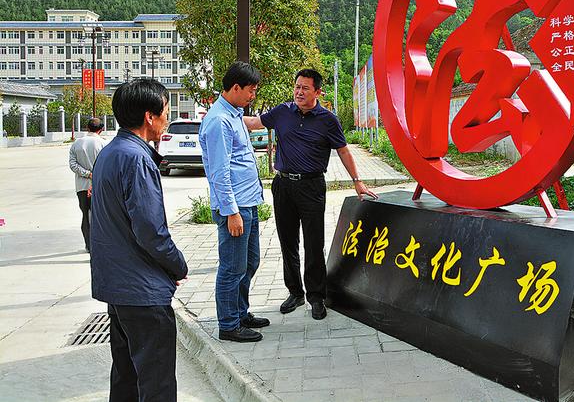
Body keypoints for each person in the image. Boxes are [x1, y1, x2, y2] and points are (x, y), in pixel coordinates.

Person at [244, 68, 377, 321]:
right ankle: (295, 293)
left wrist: (357, 181)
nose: (299, 92)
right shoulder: (282, 112)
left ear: (318, 92)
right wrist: (225, 111)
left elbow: (344, 151)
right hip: (283, 185)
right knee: (288, 242)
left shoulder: (328, 120)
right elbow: (253, 123)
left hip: (312, 186)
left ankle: (316, 297)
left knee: (314, 243)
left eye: (305, 88)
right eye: (297, 87)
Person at [90, 79, 188, 402]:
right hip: (142, 293)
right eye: (166, 111)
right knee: (156, 384)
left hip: (118, 288)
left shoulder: (109, 153)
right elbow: (151, 232)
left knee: (126, 379)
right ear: (149, 116)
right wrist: (177, 265)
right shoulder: (137, 159)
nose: (167, 119)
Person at [199, 61, 270, 343]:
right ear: (236, 87)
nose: (253, 96)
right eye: (251, 90)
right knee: (232, 268)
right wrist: (231, 212)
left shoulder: (234, 114)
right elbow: (219, 171)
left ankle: (240, 312)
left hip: (247, 203)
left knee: (249, 262)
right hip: (235, 208)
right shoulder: (219, 120)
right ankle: (229, 324)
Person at [68, 117, 106, 252]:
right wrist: (94, 174)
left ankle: (88, 245)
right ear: (101, 129)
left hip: (82, 187)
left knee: (85, 215)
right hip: (99, 186)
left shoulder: (77, 144)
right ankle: (99, 244)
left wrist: (87, 174)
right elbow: (106, 165)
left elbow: (72, 164)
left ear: (87, 128)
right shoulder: (104, 144)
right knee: (100, 216)